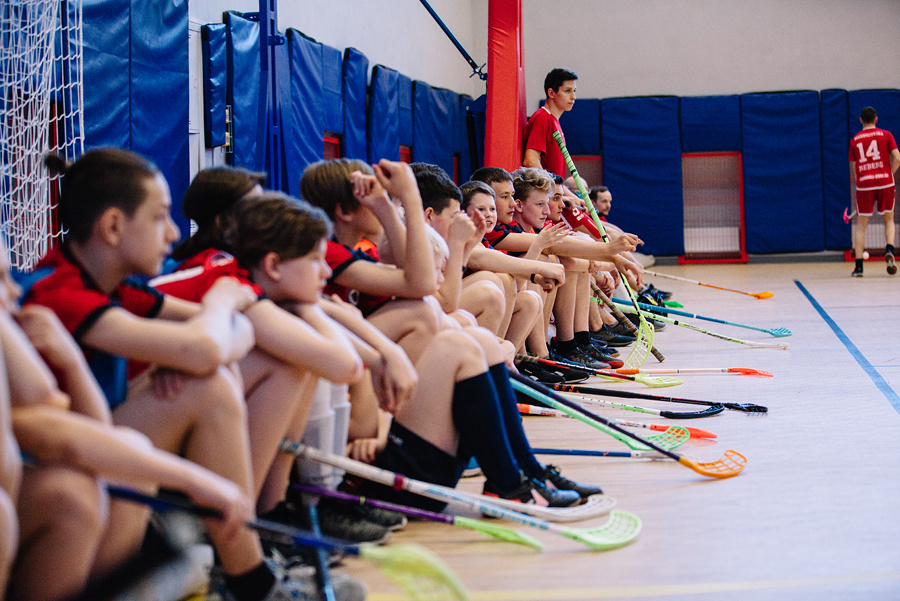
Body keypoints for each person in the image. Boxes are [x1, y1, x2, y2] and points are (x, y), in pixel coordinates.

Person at [24, 148, 364, 601]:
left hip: (99, 455)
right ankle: (246, 574)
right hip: (59, 483)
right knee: (209, 382)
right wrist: (220, 305)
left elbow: (234, 337)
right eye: (160, 217)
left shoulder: (118, 287)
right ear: (112, 227)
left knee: (226, 374)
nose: (171, 234)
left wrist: (203, 341)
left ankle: (248, 555)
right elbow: (208, 344)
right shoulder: (61, 293)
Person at [849, 106, 900, 277]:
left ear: (861, 120)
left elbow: (854, 168)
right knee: (889, 220)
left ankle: (858, 268)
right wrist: (888, 174)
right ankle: (890, 250)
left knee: (861, 226)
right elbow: (898, 158)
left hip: (864, 184)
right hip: (885, 182)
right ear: (876, 119)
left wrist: (863, 182)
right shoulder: (886, 135)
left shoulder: (855, 140)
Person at [522, 68, 578, 177]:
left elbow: (557, 181)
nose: (573, 97)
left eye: (574, 91)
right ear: (551, 93)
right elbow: (530, 161)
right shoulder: (543, 118)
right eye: (567, 91)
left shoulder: (554, 121)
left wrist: (565, 192)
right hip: (546, 191)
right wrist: (553, 188)